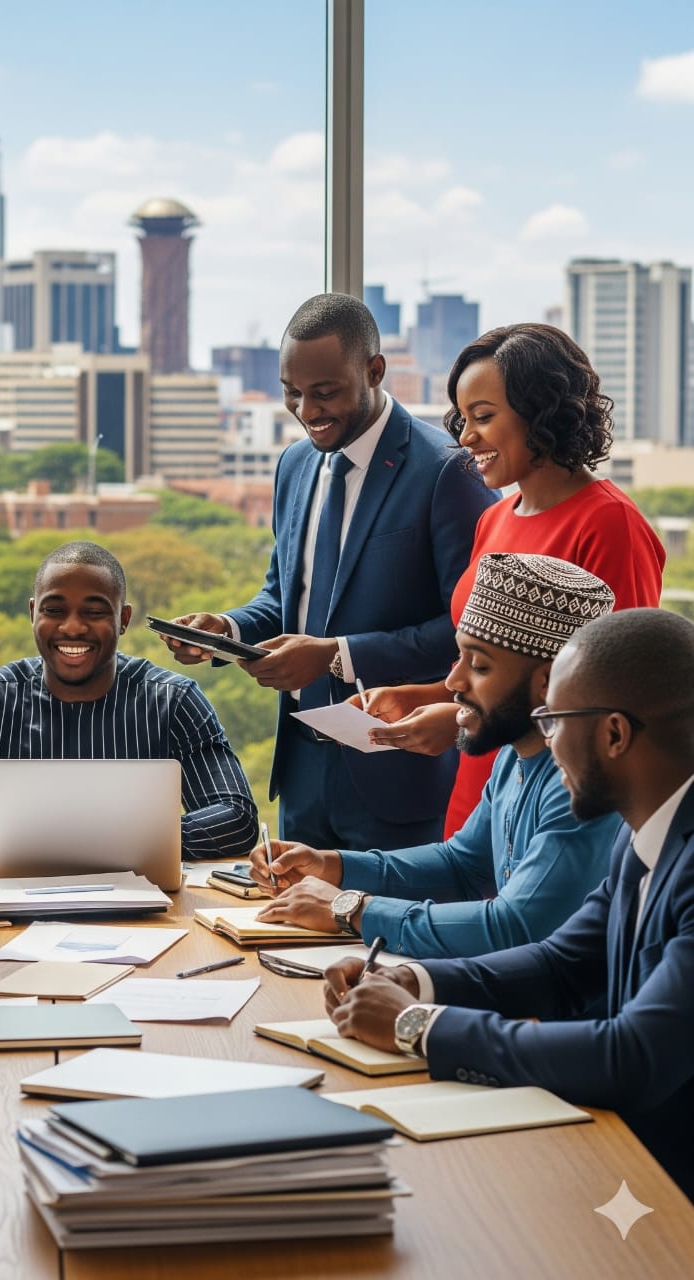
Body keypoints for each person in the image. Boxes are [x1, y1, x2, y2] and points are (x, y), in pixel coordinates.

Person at [323, 608, 694, 1200]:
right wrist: (414, 980)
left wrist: (419, 1025)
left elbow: (634, 1056)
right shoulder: (640, 835)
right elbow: (561, 964)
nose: (545, 741)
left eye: (553, 720)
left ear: (614, 735)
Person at [165, 293, 495, 850]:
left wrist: (337, 655)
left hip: (398, 774)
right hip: (302, 773)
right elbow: (284, 597)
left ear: (375, 371)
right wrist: (228, 630)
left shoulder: (447, 471)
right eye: (291, 392)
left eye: (324, 392)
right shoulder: (294, 465)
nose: (306, 410)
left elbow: (468, 632)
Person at [355, 324, 665, 837]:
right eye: (463, 419)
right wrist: (425, 697)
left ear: (541, 411)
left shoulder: (610, 524)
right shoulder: (494, 519)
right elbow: (495, 672)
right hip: (479, 799)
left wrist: (458, 721)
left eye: (483, 417)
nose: (465, 437)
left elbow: (618, 701)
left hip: (558, 811)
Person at [250, 553, 619, 957]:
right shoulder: (516, 753)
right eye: (459, 658)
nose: (453, 681)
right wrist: (331, 866)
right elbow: (464, 867)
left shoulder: (582, 785)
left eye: (479, 666)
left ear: (548, 682)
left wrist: (353, 909)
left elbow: (515, 928)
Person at [0, 541, 258, 861]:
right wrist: (34, 840)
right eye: (54, 610)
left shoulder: (174, 701)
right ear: (33, 613)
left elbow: (237, 818)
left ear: (123, 618)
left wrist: (107, 841)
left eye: (94, 612)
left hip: (149, 907)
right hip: (13, 906)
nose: (72, 627)